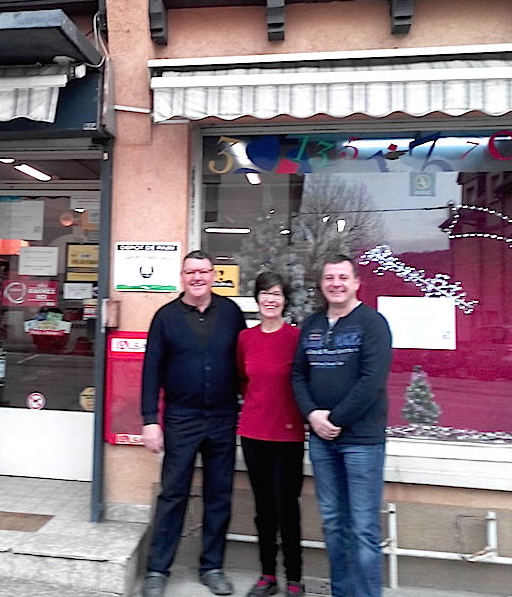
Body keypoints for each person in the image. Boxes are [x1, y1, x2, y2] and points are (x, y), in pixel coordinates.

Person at [141, 250, 248, 597]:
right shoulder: (165, 317)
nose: (197, 277)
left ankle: (212, 566)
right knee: (173, 495)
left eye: (203, 272)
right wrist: (149, 420)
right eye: (191, 272)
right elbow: (150, 371)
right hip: (180, 419)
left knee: (219, 496)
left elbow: (246, 363)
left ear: (214, 275)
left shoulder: (231, 314)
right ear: (182, 277)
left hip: (222, 417)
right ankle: (158, 569)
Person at [290, 255, 393, 597]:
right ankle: (341, 592)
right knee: (334, 524)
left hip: (362, 442)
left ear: (356, 282)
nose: (336, 283)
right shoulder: (312, 325)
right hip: (322, 441)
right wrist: (311, 415)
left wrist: (334, 419)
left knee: (363, 527)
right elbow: (298, 374)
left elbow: (372, 380)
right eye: (329, 278)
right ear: (321, 284)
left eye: (343, 277)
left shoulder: (372, 323)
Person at [237, 272, 306, 597]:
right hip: (253, 433)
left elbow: (304, 383)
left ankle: (294, 578)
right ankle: (267, 575)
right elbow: (243, 381)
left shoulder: (296, 338)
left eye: (277, 294)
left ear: (284, 300)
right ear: (257, 298)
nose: (270, 299)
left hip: (288, 435)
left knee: (287, 508)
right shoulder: (246, 339)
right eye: (265, 293)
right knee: (263, 509)